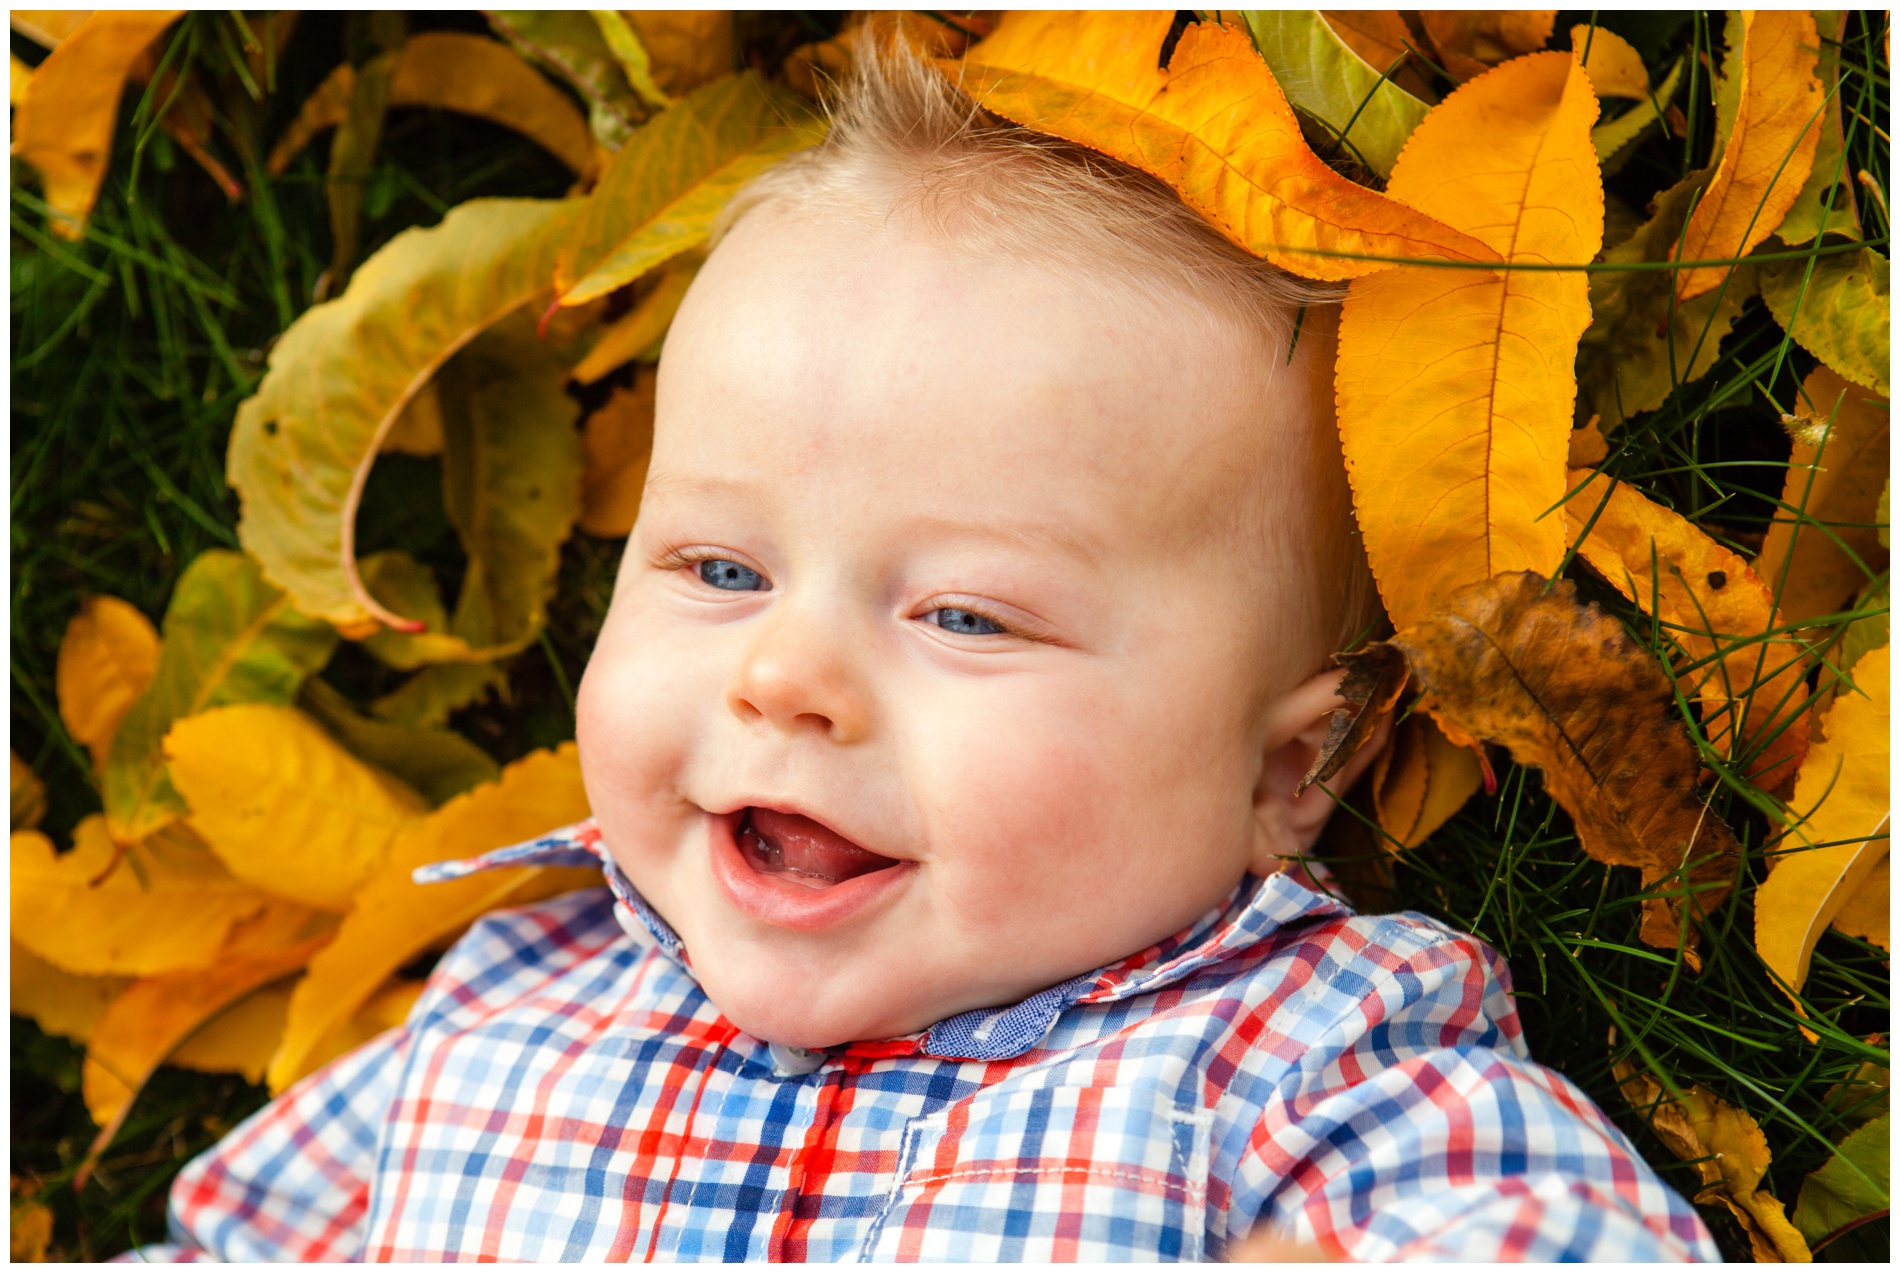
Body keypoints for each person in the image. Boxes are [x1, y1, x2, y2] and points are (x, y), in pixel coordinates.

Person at [131, 49, 1717, 1262]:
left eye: (964, 613)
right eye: (719, 566)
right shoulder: (502, 1014)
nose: (784, 675)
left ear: (1289, 767)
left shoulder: (1300, 1073)